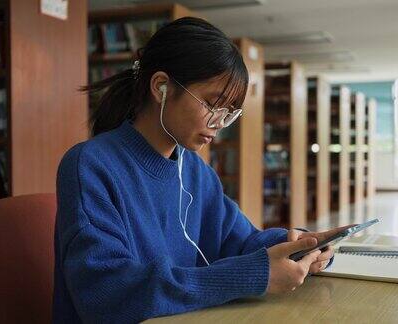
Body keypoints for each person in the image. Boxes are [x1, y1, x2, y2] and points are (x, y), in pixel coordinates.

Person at [52, 17, 348, 323]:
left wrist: (297, 245)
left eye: (229, 113)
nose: (219, 123)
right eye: (211, 104)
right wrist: (251, 275)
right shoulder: (91, 164)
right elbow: (107, 294)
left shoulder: (195, 170)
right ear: (162, 87)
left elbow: (239, 242)